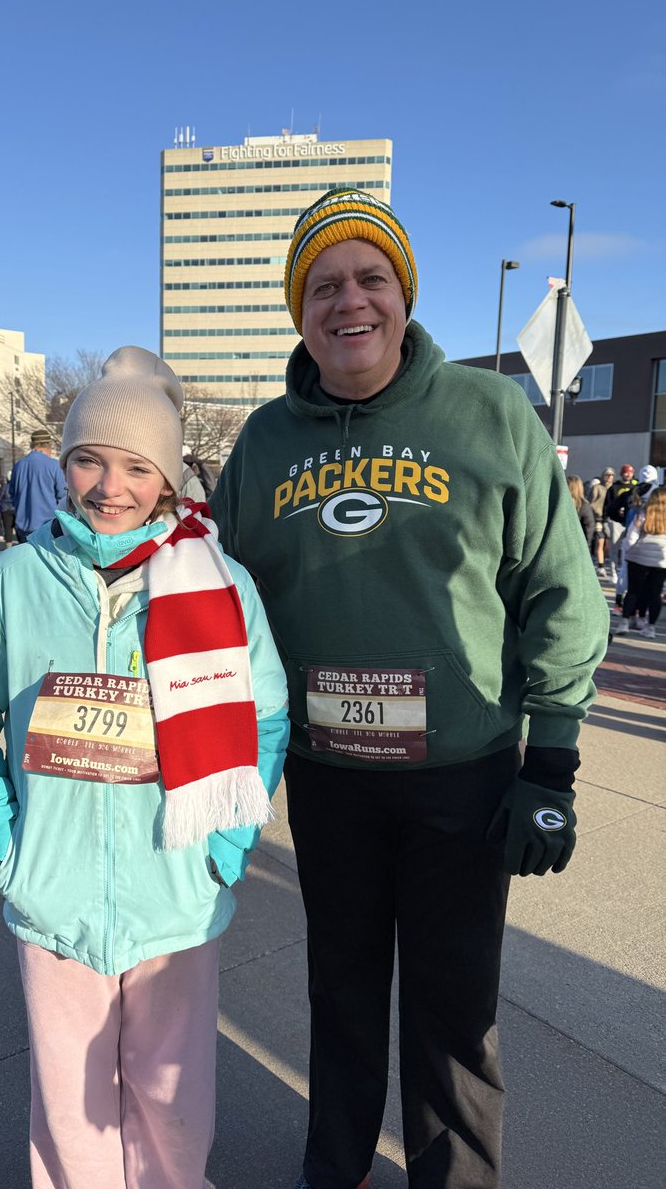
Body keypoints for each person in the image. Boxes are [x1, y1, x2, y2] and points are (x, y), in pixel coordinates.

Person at [209, 187, 610, 1189]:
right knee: (340, 990)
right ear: (300, 311)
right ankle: (333, 1167)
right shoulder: (263, 443)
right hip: (329, 774)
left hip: (463, 776)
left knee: (453, 1009)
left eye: (370, 279)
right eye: (325, 285)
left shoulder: (487, 415)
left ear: (403, 294)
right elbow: (218, 599)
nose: (351, 302)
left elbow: (558, 586)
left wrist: (551, 764)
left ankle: (456, 1179)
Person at [0, 346, 289, 1189]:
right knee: (68, 1094)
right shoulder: (11, 581)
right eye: (89, 458)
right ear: (65, 462)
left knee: (173, 1089)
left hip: (176, 887)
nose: (109, 485)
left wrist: (223, 847)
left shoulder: (219, 583)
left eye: (136, 466)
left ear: (166, 479)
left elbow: (263, 721)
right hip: (51, 889)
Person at [611, 485, 666, 639]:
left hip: (639, 556)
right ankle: (650, 627)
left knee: (633, 590)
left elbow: (632, 536)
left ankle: (625, 621)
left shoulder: (643, 514)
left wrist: (628, 552)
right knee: (655, 594)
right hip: (661, 561)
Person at [10, 428, 67, 541]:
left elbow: (12, 495)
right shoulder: (54, 465)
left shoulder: (18, 466)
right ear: (48, 445)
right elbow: (63, 495)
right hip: (47, 527)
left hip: (22, 527)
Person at [588, 467, 614, 573]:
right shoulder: (597, 488)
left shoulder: (614, 488)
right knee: (600, 542)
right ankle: (600, 565)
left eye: (611, 475)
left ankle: (606, 561)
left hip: (610, 518)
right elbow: (591, 502)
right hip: (599, 518)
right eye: (606, 475)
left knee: (609, 543)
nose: (608, 477)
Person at [566, 474, 595, 552]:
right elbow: (589, 525)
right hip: (577, 543)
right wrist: (587, 543)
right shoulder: (583, 504)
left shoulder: (560, 503)